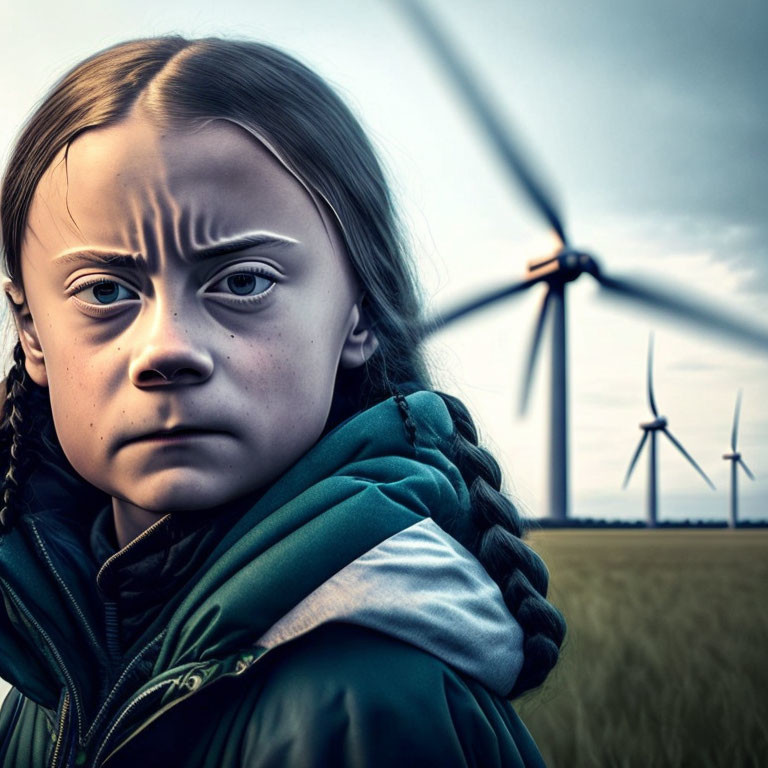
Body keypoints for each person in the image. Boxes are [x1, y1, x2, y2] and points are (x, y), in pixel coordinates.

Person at [0, 36, 566, 767]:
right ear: (31, 332)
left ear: (359, 312)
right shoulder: (49, 688)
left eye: (243, 281)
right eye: (107, 292)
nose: (166, 348)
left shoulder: (371, 705)